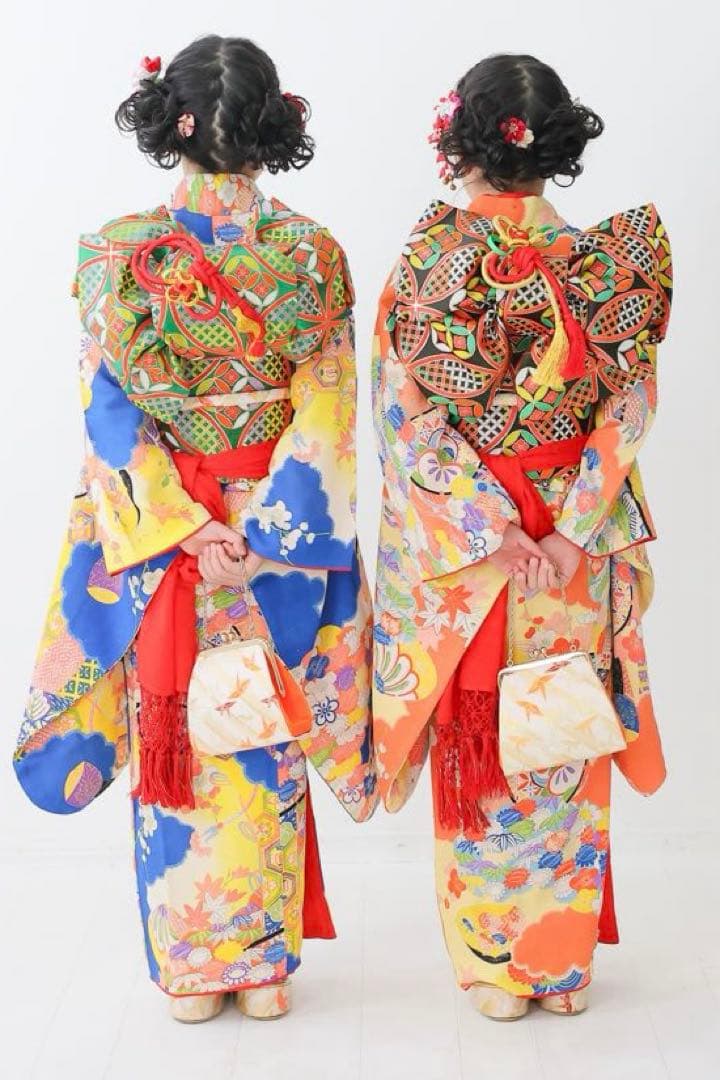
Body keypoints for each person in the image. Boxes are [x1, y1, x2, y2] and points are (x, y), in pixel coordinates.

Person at [14, 34, 376, 1023]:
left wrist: (179, 526)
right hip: (274, 540)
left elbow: (107, 410)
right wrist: (262, 531)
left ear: (165, 124)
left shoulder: (117, 252)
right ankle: (261, 967)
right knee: (258, 730)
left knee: (183, 727)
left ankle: (198, 968)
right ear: (272, 127)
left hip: (171, 544)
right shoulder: (309, 252)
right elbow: (328, 403)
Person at [371, 53, 672, 1020]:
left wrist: (487, 528)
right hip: (572, 545)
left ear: (459, 143)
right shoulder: (607, 262)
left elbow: (404, 414)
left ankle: (496, 968)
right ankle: (559, 962)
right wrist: (577, 529)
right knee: (562, 729)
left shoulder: (428, 262)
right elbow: (629, 404)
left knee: (488, 741)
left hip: (480, 549)